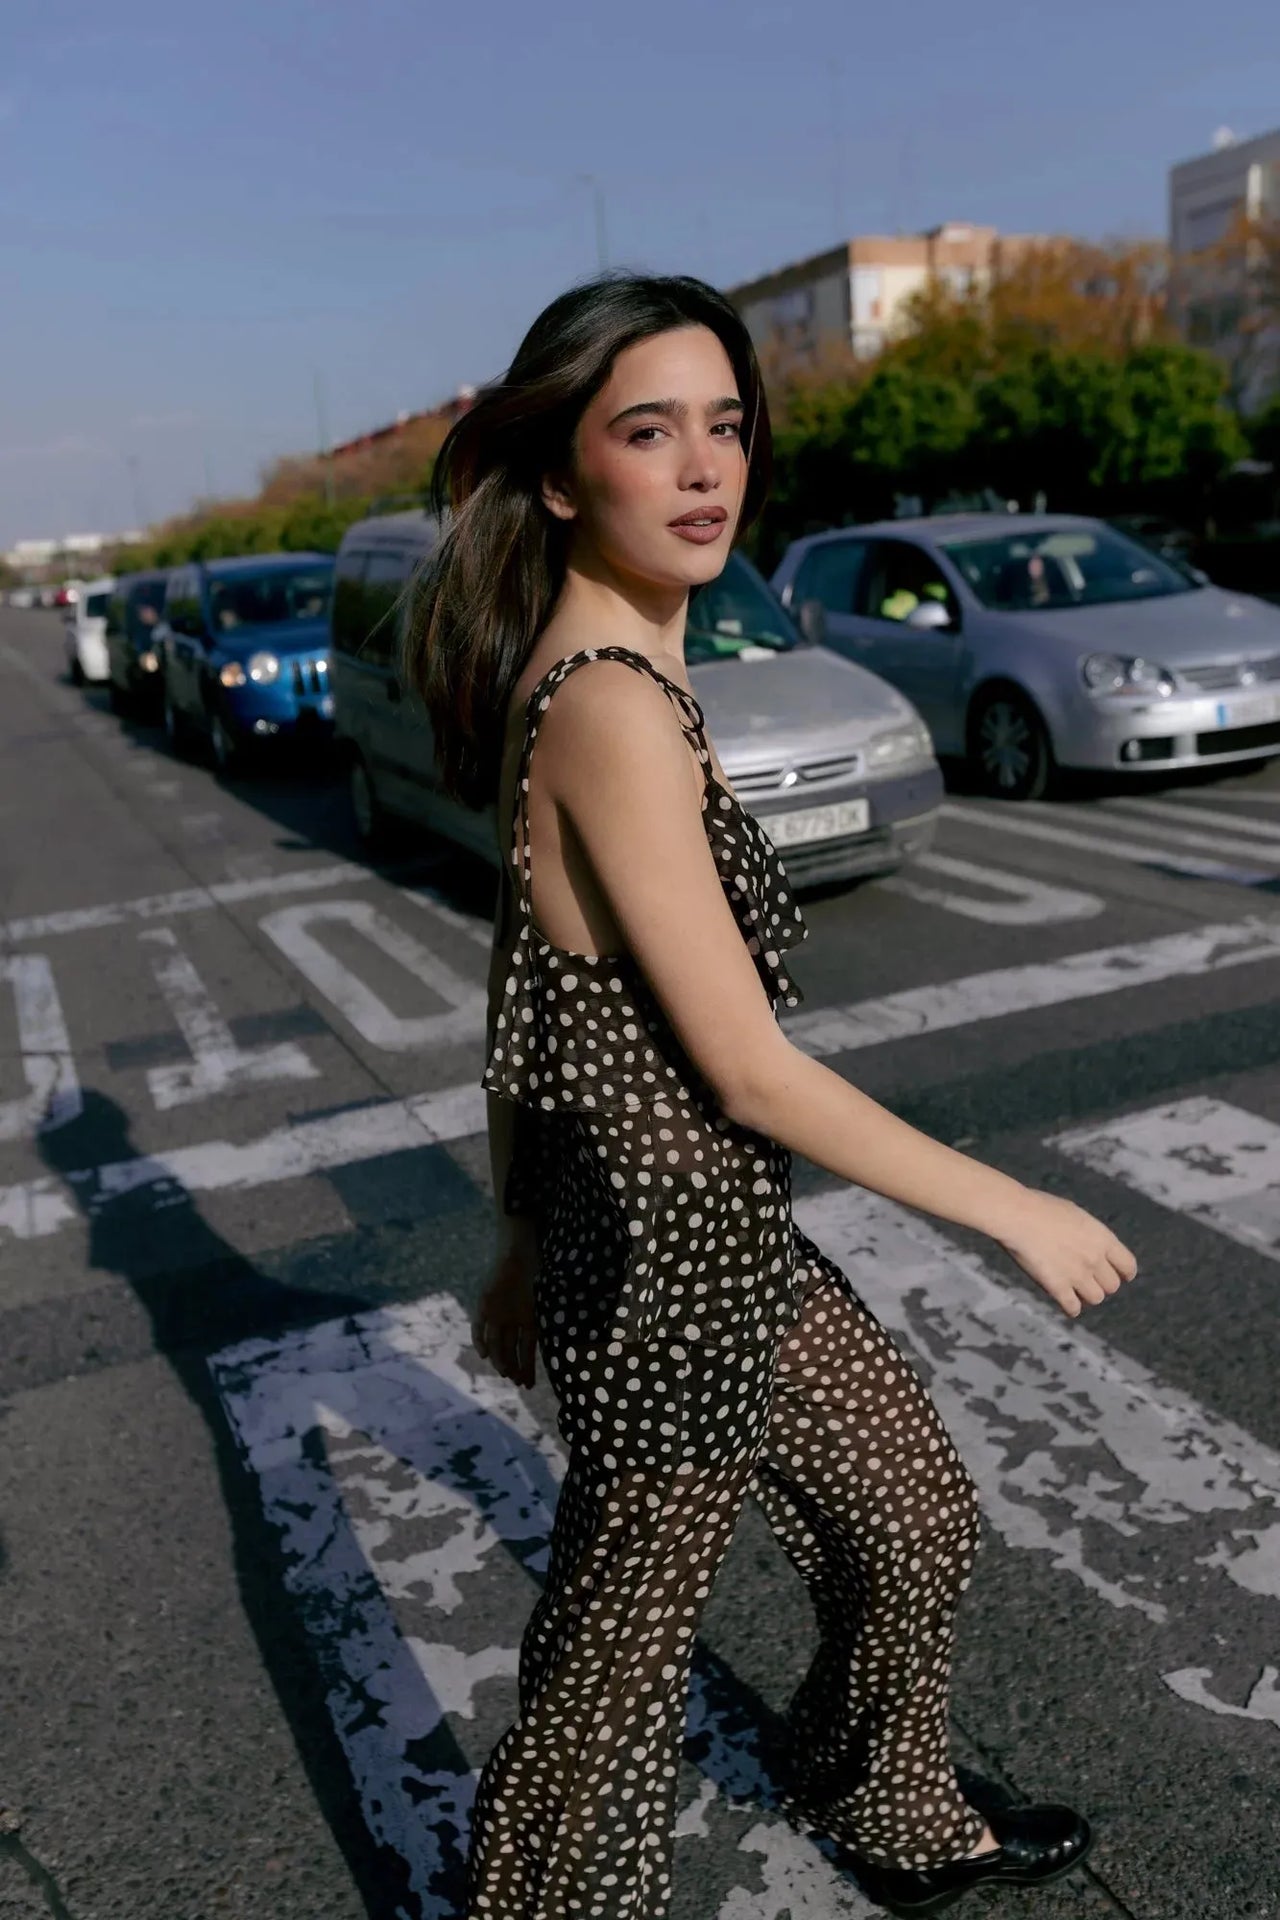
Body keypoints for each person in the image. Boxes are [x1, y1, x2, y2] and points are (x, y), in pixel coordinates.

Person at [403, 272, 1137, 1920]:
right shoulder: (607, 706)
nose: (703, 467)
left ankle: (881, 1793)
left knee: (910, 1513)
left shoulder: (616, 670)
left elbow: (528, 1001)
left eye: (723, 426)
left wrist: (518, 1243)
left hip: (693, 1246)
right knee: (615, 1671)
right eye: (648, 430)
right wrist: (1012, 1203)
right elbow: (743, 1066)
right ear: (558, 470)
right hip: (670, 1282)